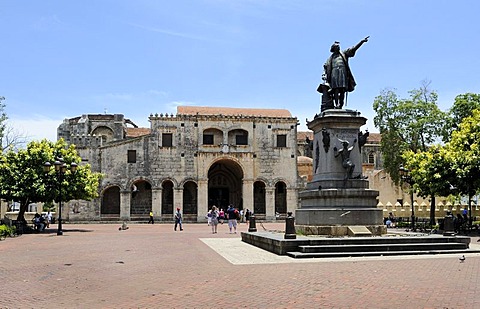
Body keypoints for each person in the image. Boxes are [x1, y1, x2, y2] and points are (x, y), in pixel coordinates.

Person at [323, 36, 369, 108]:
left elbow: (353, 49)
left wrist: (361, 42)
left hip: (343, 72)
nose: (339, 48)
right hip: (334, 73)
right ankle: (337, 104)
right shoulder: (330, 58)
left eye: (339, 47)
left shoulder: (344, 53)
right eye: (337, 47)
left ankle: (341, 104)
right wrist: (324, 74)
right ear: (334, 48)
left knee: (342, 89)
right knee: (335, 89)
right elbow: (325, 67)